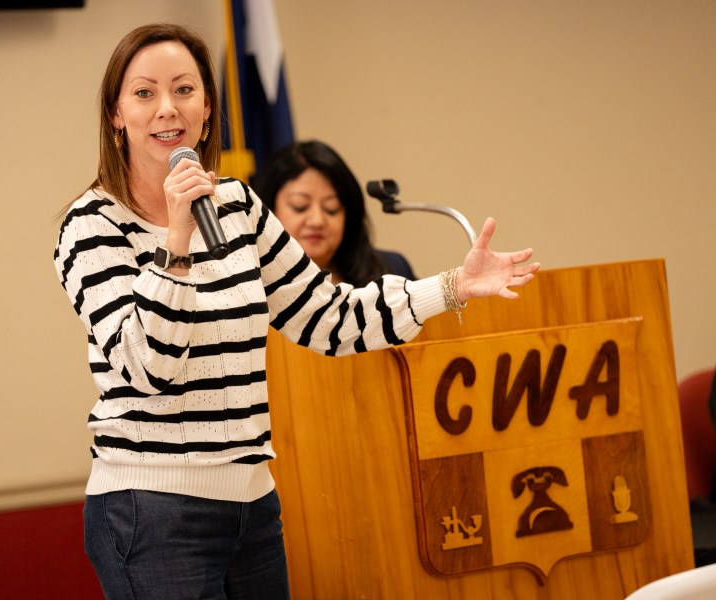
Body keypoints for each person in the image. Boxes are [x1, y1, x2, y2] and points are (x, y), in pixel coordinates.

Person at [53, 22, 540, 600]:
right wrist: (176, 242)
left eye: (184, 90)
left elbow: (329, 318)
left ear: (207, 108)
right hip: (152, 510)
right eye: (144, 93)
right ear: (116, 114)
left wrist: (454, 286)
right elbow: (147, 368)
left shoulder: (236, 206)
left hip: (253, 505)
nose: (167, 108)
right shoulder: (91, 226)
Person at [253, 140, 415, 286]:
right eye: (300, 206)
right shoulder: (246, 284)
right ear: (268, 211)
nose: (317, 221)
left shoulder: (393, 270)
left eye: (331, 208)